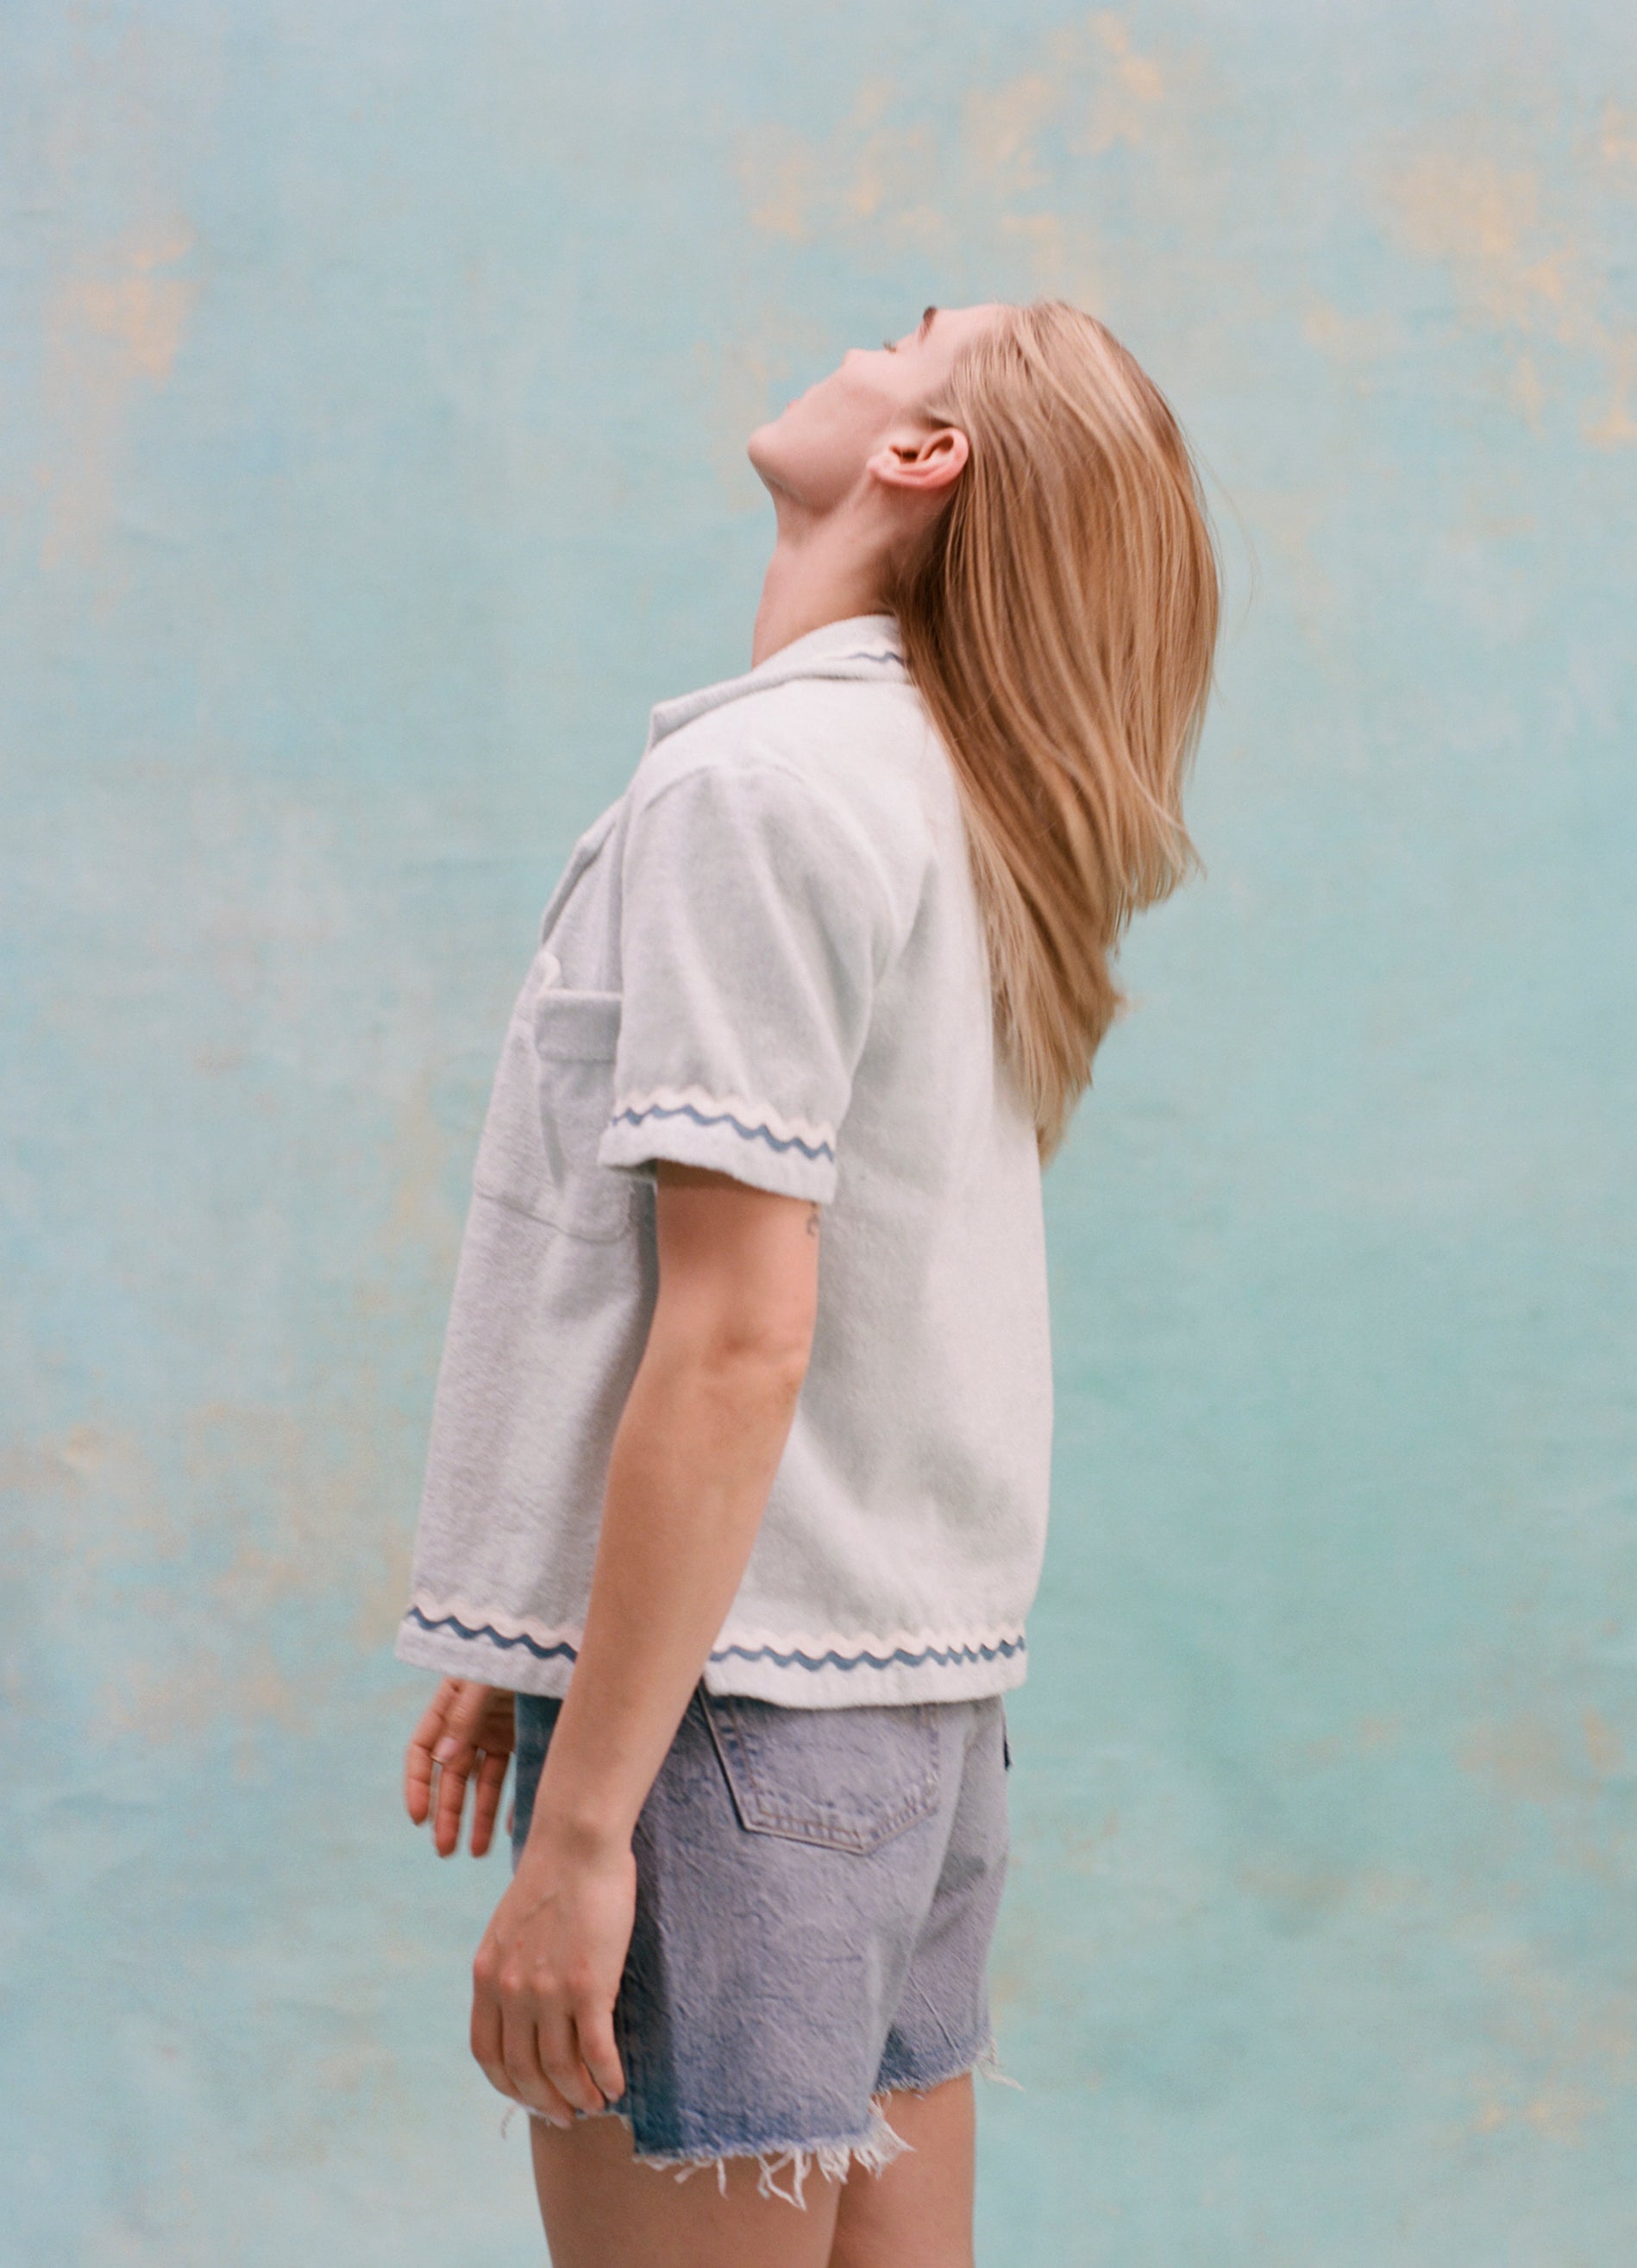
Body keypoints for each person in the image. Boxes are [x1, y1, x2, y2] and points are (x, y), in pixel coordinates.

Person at [395, 298, 1220, 2268]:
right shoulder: (948, 801)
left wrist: (586, 1826)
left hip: (733, 1731)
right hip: (911, 1719)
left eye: (911, 331)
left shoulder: (754, 794)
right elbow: (812, 1326)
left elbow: (746, 1334)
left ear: (921, 457)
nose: (865, 342)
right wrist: (531, 1628)